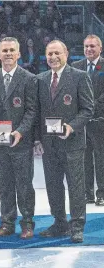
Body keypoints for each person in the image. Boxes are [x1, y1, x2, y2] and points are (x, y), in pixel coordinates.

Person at [34, 40, 94, 243]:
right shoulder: (40, 80)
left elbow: (88, 109)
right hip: (49, 144)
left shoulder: (79, 77)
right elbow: (37, 113)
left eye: (57, 53)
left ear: (66, 54)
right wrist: (36, 140)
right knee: (53, 186)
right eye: (49, 54)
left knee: (76, 186)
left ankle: (77, 226)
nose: (53, 57)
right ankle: (59, 223)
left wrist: (71, 126)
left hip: (73, 143)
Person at [0, 37, 38, 239]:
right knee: (4, 184)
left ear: (18, 54)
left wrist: (20, 131)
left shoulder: (29, 78)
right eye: (4, 50)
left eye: (11, 50)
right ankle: (7, 223)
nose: (7, 54)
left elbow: (32, 111)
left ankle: (28, 224)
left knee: (24, 184)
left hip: (21, 142)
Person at [72, 34, 104, 206]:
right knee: (84, 159)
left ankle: (102, 193)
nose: (89, 49)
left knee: (101, 158)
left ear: (100, 48)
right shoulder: (76, 67)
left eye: (92, 46)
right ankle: (88, 194)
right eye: (86, 46)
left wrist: (91, 107)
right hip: (82, 123)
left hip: (100, 121)